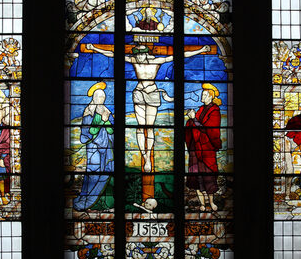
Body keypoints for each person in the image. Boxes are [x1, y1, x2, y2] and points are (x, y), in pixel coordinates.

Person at [86, 42, 209, 172]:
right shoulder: (133, 60)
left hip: (152, 93)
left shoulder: (157, 61)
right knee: (140, 127)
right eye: (136, 55)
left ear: (146, 53)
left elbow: (179, 55)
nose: (138, 58)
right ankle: (145, 157)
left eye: (140, 55)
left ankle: (148, 158)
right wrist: (94, 48)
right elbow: (112, 54)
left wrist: (200, 49)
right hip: (139, 92)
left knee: (149, 128)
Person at [73, 82, 115, 211]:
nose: (101, 100)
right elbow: (88, 133)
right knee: (93, 173)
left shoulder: (107, 111)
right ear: (94, 98)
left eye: (103, 98)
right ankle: (86, 201)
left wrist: (106, 120)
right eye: (99, 98)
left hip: (106, 147)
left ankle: (100, 201)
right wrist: (101, 120)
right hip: (93, 148)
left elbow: (112, 131)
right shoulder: (89, 111)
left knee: (106, 172)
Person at [185, 83, 223, 212]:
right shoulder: (201, 109)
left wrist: (194, 119)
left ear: (211, 96)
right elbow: (195, 126)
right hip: (196, 149)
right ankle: (202, 204)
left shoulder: (215, 111)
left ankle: (211, 203)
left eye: (205, 94)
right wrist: (191, 120)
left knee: (208, 177)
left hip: (206, 150)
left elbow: (209, 130)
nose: (202, 95)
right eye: (202, 93)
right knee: (196, 178)